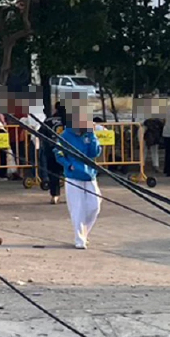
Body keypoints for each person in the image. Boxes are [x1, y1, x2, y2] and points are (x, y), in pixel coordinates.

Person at [55, 104, 103, 249]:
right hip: (73, 175)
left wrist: (92, 135)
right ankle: (79, 238)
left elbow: (95, 153)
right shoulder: (65, 135)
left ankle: (84, 232)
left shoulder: (89, 134)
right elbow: (58, 153)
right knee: (77, 208)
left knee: (95, 206)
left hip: (90, 175)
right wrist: (68, 165)